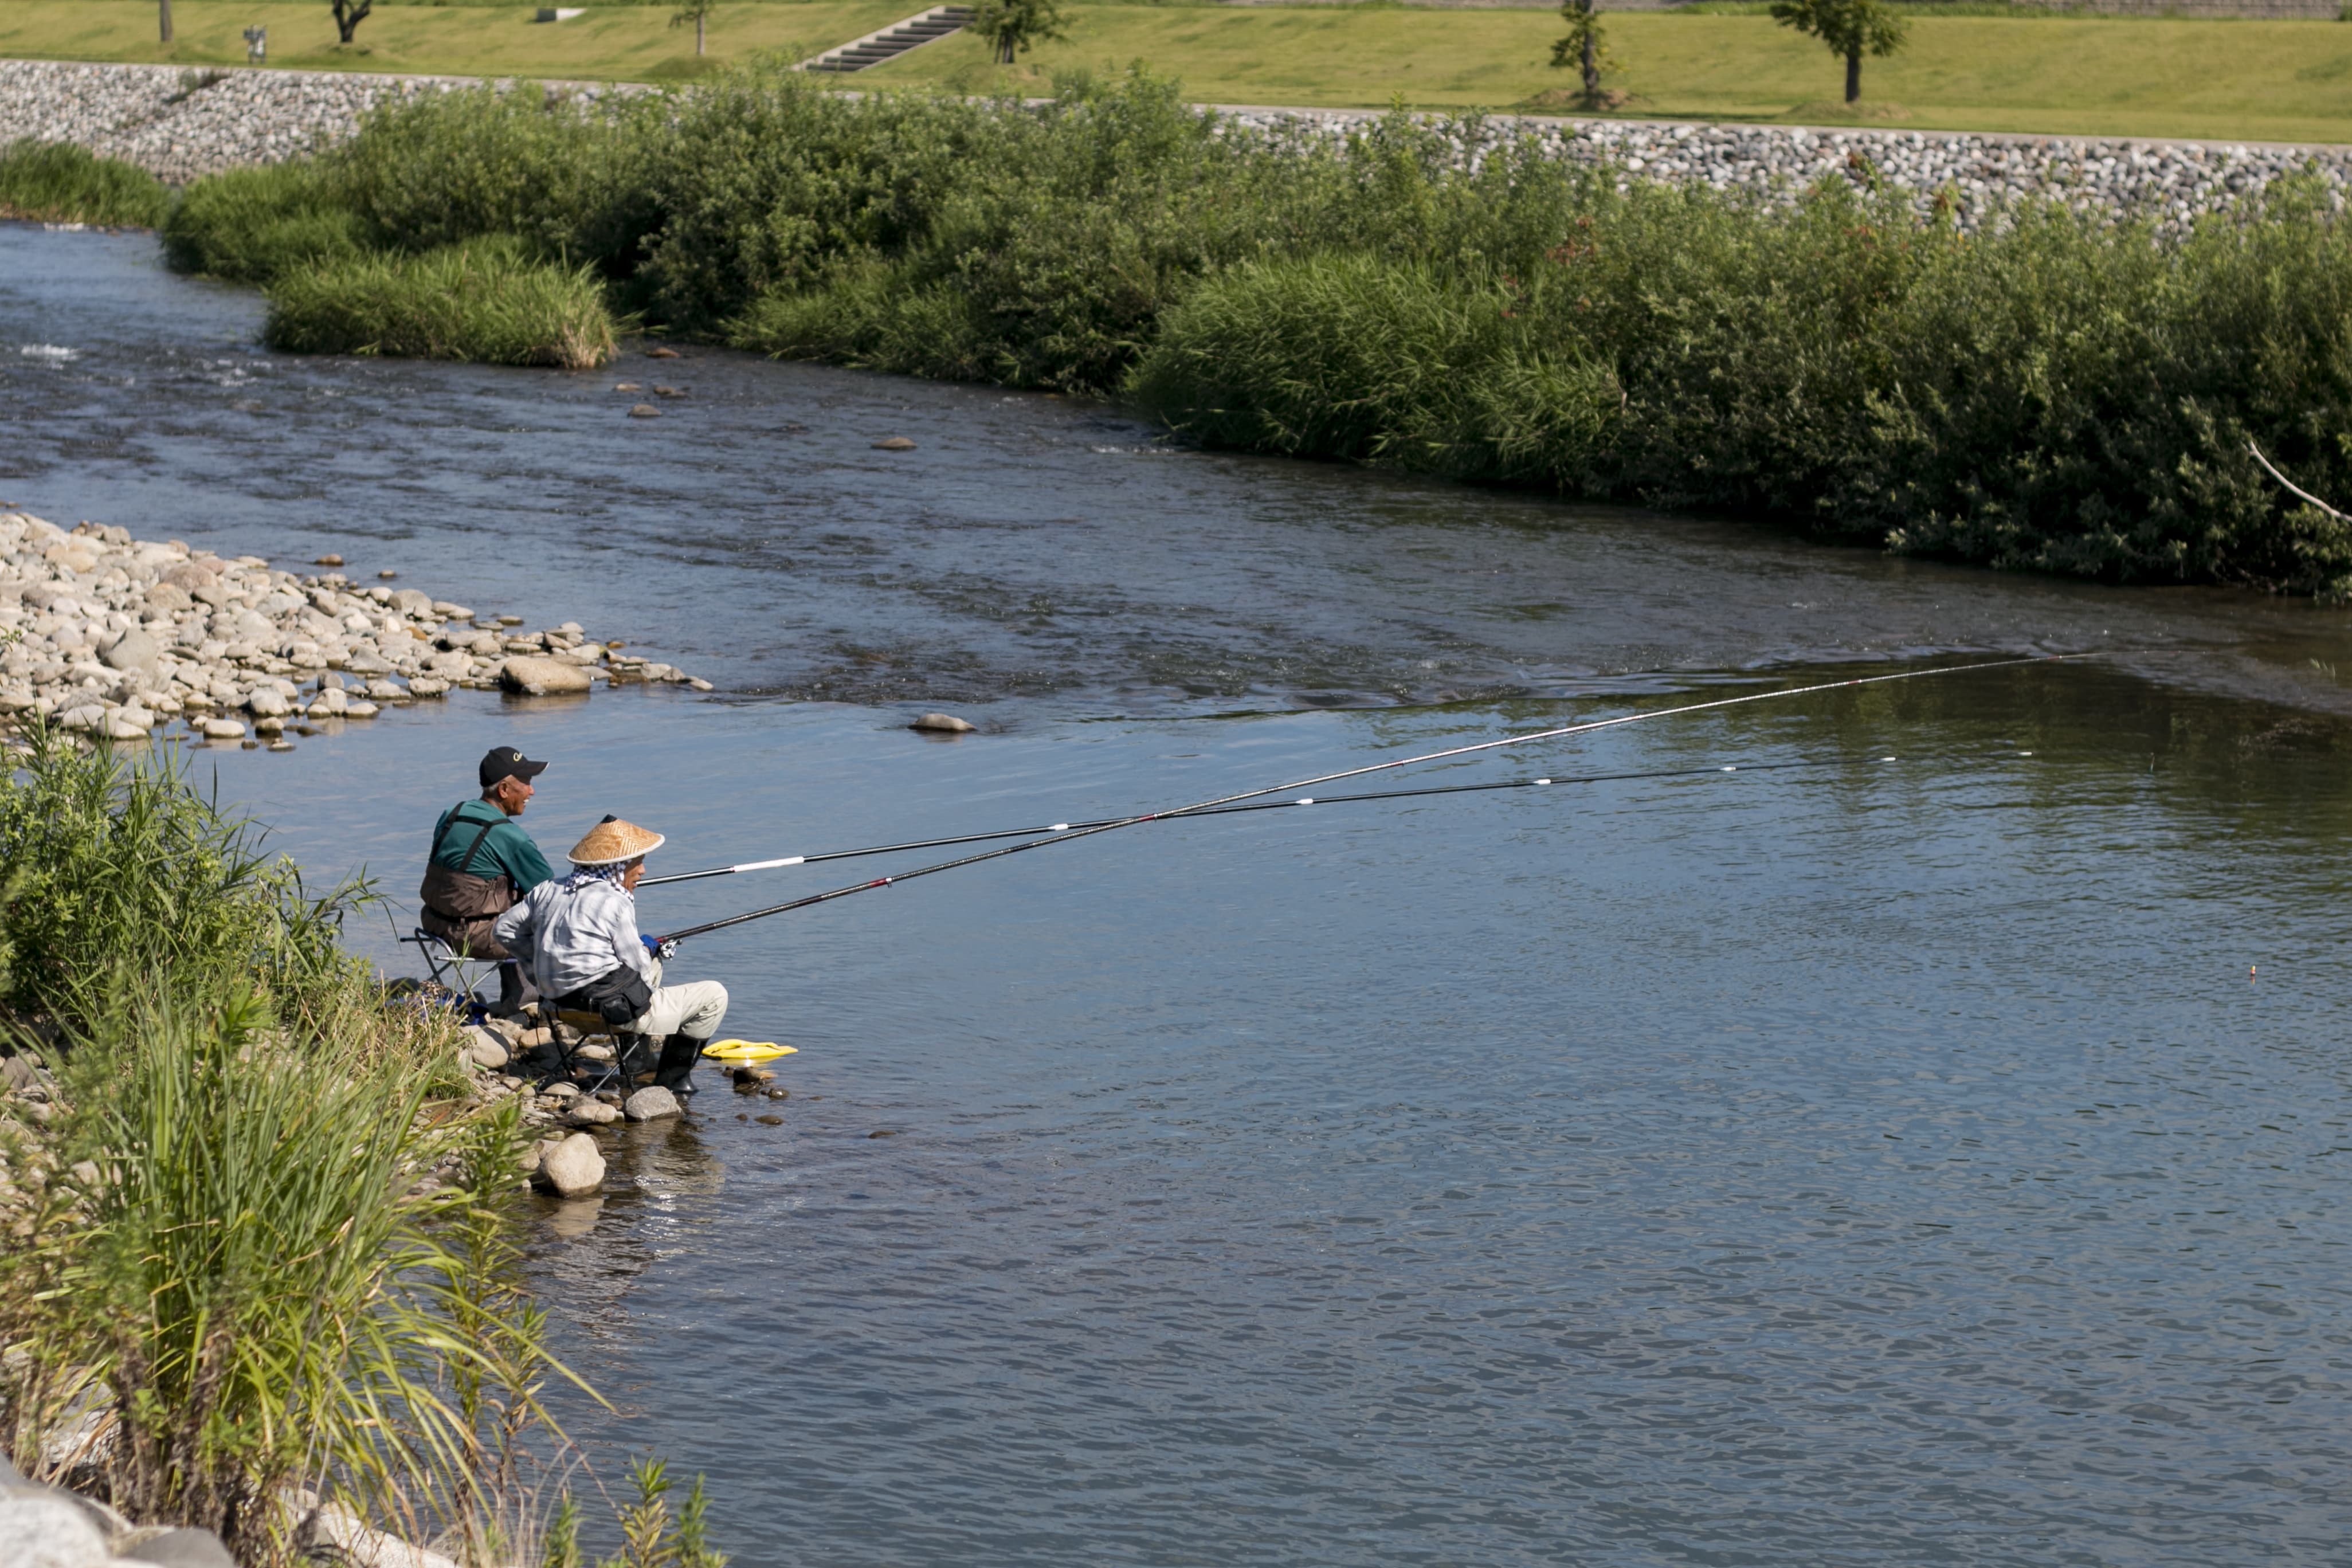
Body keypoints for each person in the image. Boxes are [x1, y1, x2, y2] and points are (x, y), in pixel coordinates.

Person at [493, 815, 727, 1097]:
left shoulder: (548, 889)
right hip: (607, 1012)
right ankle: (672, 1081)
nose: (642, 870)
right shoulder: (615, 901)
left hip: (557, 1005)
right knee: (715, 995)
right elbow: (636, 966)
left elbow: (503, 929)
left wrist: (538, 966)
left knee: (650, 961)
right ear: (615, 867)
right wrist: (649, 950)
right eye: (636, 862)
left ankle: (638, 1060)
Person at [420, 747, 556, 1018]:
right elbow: (551, 895)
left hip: (434, 925)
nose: (532, 792)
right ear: (504, 790)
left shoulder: (452, 813)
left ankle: (519, 997)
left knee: (515, 905)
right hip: (474, 937)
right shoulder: (510, 836)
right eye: (527, 783)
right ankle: (529, 1001)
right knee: (553, 922)